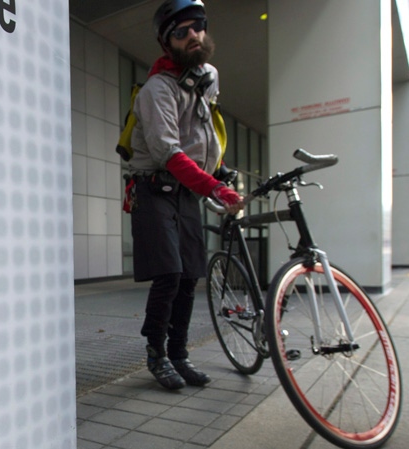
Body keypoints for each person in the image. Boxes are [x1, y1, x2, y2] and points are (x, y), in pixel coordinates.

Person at [128, 0, 244, 390]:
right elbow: (169, 152)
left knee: (191, 274)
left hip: (185, 190)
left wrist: (220, 169)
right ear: (167, 43)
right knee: (170, 274)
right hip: (153, 188)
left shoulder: (205, 80)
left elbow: (202, 138)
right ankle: (156, 355)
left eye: (197, 26)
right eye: (181, 31)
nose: (193, 35)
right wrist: (213, 186)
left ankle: (179, 354)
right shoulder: (157, 90)